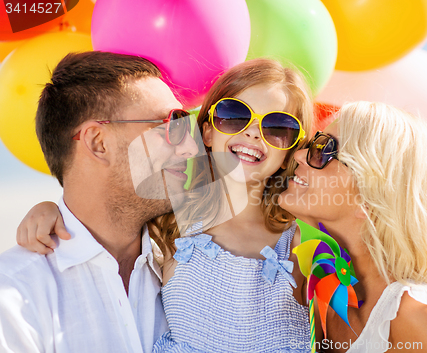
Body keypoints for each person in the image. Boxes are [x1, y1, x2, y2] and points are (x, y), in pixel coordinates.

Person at [16, 58, 314, 352]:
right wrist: (50, 209)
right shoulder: (172, 223)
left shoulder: (299, 243)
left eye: (277, 127)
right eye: (235, 115)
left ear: (291, 152)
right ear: (207, 132)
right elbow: (109, 209)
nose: (252, 132)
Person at [0, 51, 199, 352]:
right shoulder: (12, 298)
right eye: (171, 125)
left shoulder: (195, 270)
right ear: (98, 143)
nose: (191, 147)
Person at [279, 101, 427, 352]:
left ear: (370, 197)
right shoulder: (321, 292)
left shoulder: (417, 314)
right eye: (313, 143)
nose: (298, 156)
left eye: (324, 149)